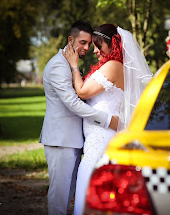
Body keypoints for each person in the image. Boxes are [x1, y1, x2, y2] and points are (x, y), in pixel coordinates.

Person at [63, 24, 153, 215]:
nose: (95, 51)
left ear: (114, 44)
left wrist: (73, 65)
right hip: (97, 135)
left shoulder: (114, 66)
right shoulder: (111, 66)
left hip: (102, 137)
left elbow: (82, 91)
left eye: (98, 46)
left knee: (90, 185)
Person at [39, 21, 119, 215]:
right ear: (70, 39)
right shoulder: (59, 65)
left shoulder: (71, 63)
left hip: (75, 141)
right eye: (82, 42)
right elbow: (73, 103)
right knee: (59, 198)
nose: (86, 48)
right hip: (61, 140)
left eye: (89, 44)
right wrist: (107, 120)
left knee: (71, 195)